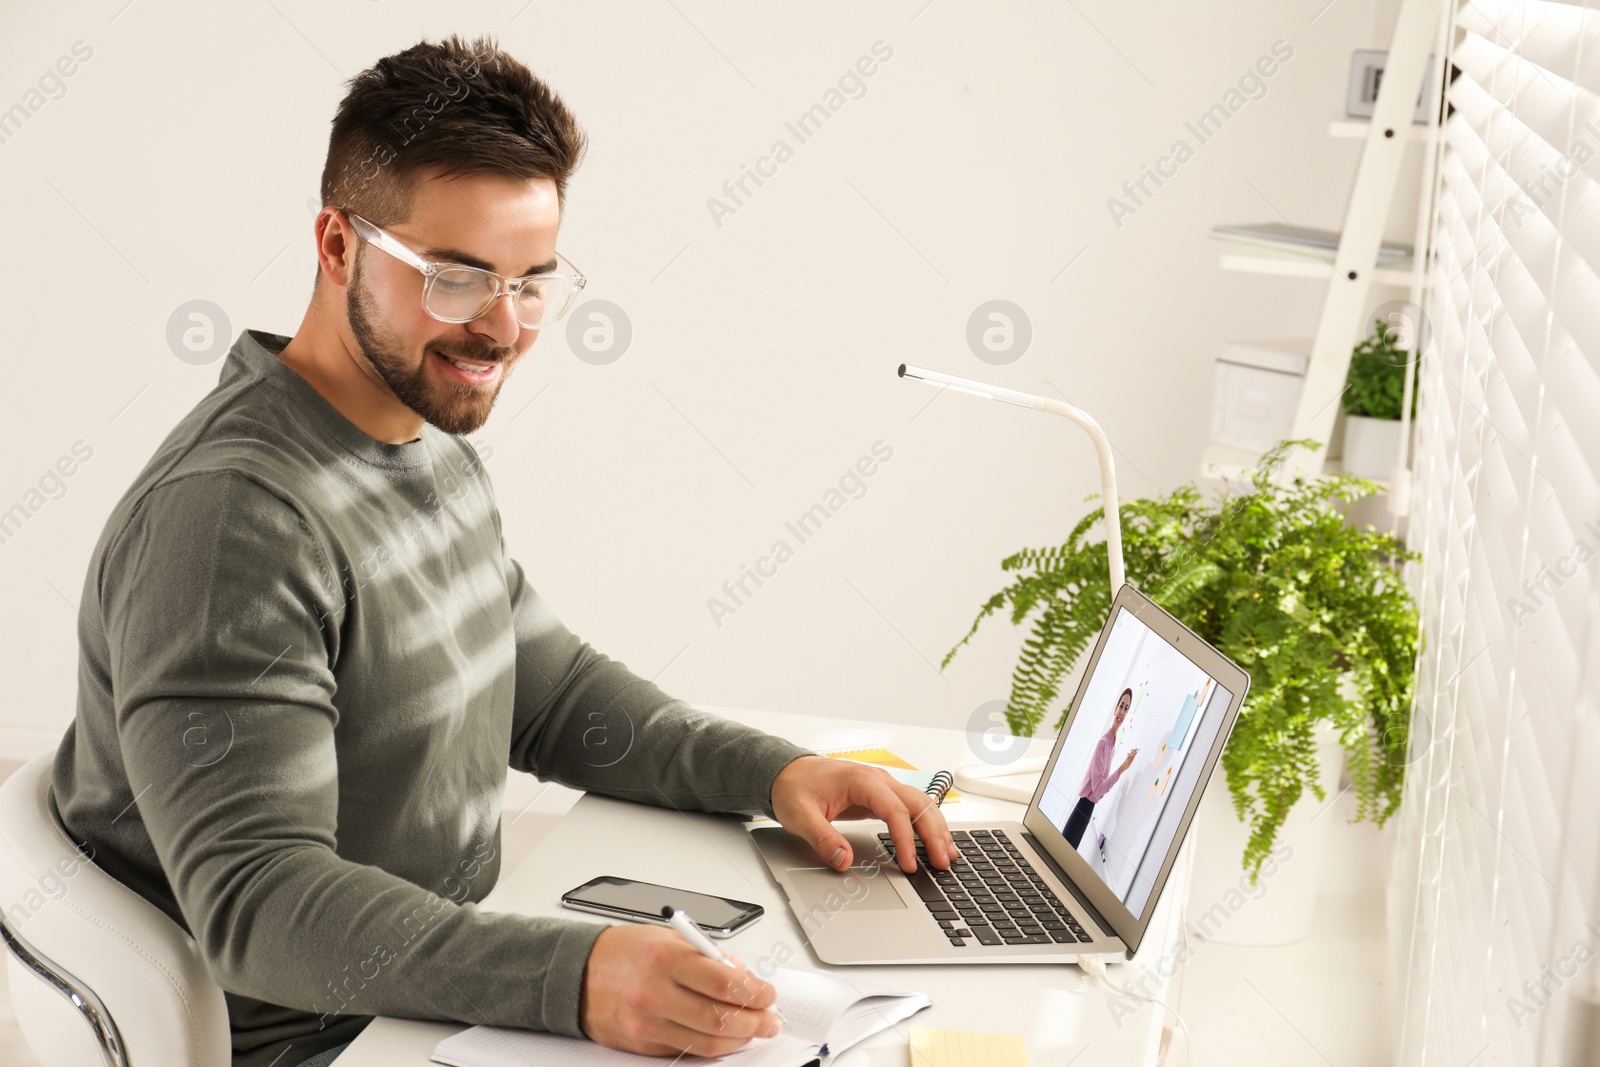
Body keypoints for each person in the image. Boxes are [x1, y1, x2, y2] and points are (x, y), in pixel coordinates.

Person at [49, 35, 957, 1067]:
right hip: (331, 1044)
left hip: (433, 1007)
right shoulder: (232, 523)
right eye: (456, 276)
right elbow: (261, 903)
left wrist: (774, 769)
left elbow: (547, 691)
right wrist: (573, 977)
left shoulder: (423, 439)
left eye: (532, 281)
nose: (501, 327)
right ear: (337, 244)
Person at [1063, 688, 1139, 849]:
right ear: (1115, 709)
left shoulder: (1112, 744)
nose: (1122, 712)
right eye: (1121, 706)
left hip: (1088, 809)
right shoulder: (1103, 744)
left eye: (1126, 708)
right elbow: (1097, 790)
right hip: (1083, 808)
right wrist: (1123, 767)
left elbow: (1100, 791)